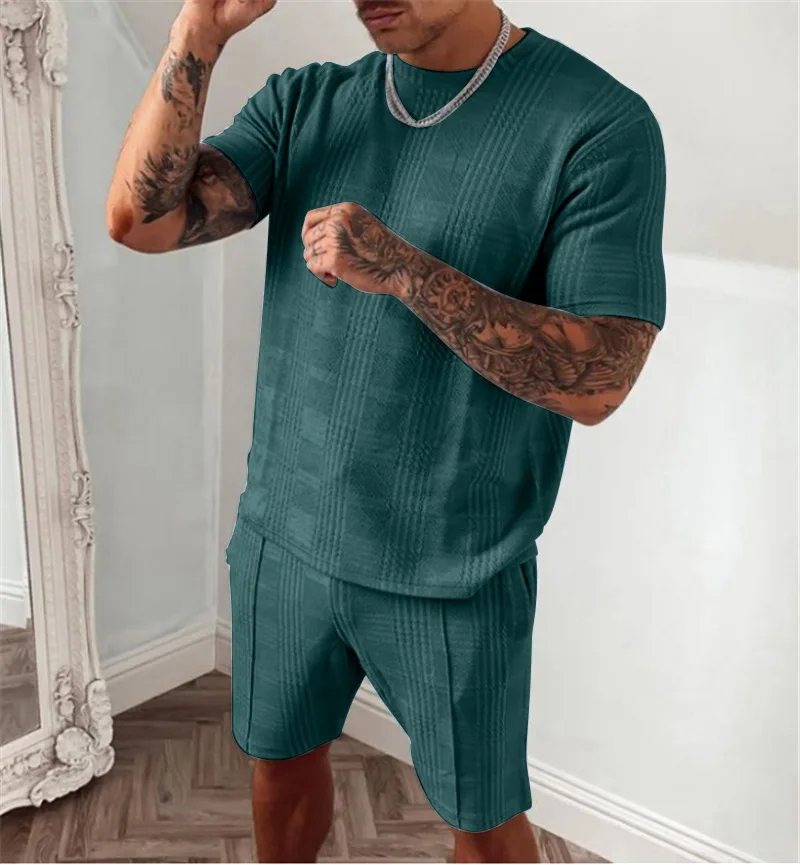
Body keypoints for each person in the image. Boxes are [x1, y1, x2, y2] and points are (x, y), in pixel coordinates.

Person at [106, 0, 666, 859]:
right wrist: (198, 34)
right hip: (285, 538)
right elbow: (140, 221)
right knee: (279, 767)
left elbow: (601, 381)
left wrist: (404, 270)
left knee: (485, 825)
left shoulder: (597, 123)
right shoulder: (307, 101)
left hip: (455, 565)